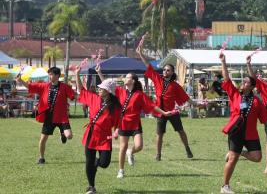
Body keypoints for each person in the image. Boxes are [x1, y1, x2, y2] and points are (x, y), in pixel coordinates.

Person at [219, 54, 267, 193]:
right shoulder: (235, 94)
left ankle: (241, 152)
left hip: (250, 134)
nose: (243, 83)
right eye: (243, 81)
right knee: (232, 159)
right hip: (236, 131)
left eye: (246, 82)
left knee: (257, 157)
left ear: (252, 86)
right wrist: (223, 62)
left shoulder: (257, 101)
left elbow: (266, 119)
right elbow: (226, 78)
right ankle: (225, 186)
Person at [95, 64, 171, 178]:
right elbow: (107, 86)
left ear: (133, 81)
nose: (125, 78)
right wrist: (99, 72)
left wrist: (164, 113)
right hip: (123, 124)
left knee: (139, 146)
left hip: (135, 124)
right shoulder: (120, 91)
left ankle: (131, 152)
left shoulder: (139, 94)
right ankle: (121, 170)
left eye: (127, 77)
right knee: (122, 147)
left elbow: (151, 105)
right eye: (125, 77)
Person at [137, 43, 198, 161]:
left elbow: (186, 98)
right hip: (160, 112)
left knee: (180, 131)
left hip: (172, 112)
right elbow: (147, 65)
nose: (165, 71)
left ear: (172, 72)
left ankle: (187, 148)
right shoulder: (157, 79)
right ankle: (158, 154)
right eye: (164, 69)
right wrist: (140, 54)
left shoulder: (175, 86)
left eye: (168, 70)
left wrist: (196, 104)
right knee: (159, 134)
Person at [75, 66, 121, 194]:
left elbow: (118, 123)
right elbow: (81, 90)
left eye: (102, 88)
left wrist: (116, 131)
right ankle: (91, 187)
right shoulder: (94, 98)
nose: (99, 89)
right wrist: (77, 74)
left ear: (108, 91)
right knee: (89, 162)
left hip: (106, 137)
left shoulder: (116, 107)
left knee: (104, 163)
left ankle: (94, 162)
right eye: (100, 88)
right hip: (91, 134)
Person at [16, 67, 75, 164]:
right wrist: (20, 80)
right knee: (43, 139)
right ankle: (41, 158)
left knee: (69, 136)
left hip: (62, 117)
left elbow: (74, 96)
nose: (49, 76)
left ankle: (63, 134)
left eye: (51, 74)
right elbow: (30, 86)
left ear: (57, 76)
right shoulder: (44, 86)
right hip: (49, 117)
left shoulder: (65, 87)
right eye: (49, 74)